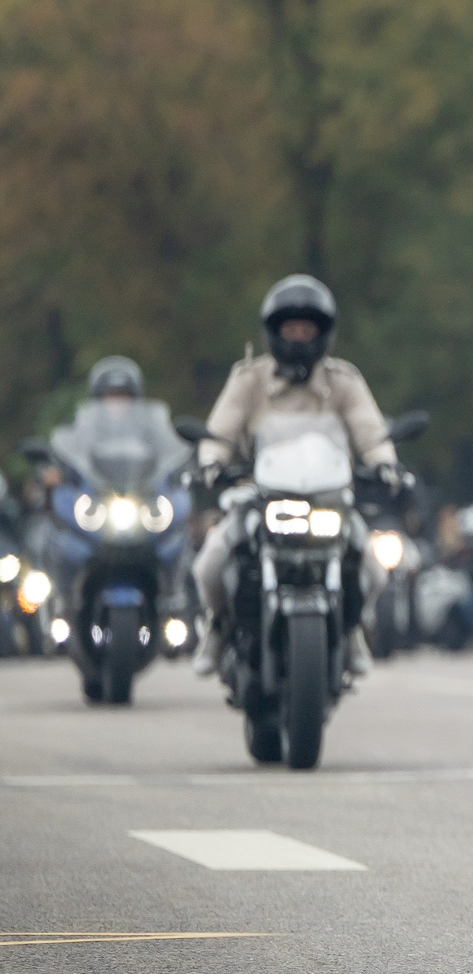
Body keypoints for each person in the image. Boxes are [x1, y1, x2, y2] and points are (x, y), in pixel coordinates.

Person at [190, 275, 397, 676]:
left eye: (308, 328)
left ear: (324, 333)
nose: (300, 337)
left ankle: (351, 629)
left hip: (330, 500)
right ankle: (217, 629)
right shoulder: (248, 379)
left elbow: (370, 432)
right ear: (274, 331)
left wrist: (385, 463)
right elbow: (220, 431)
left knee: (373, 568)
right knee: (211, 564)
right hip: (260, 498)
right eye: (291, 328)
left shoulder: (344, 381)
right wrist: (211, 462)